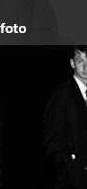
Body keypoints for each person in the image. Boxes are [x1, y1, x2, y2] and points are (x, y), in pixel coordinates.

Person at [44, 45, 87, 189]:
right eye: (80, 61)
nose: (85, 66)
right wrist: (70, 166)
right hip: (73, 180)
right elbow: (52, 138)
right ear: (72, 63)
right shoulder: (63, 94)